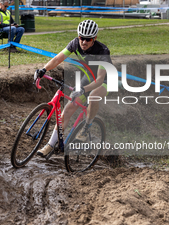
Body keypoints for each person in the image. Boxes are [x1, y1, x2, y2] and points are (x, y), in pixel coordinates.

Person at [34, 19, 113, 157]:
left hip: (105, 80)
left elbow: (100, 79)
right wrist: (44, 69)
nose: (84, 42)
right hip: (88, 76)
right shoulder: (75, 43)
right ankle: (50, 145)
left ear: (94, 38)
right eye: (81, 38)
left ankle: (87, 127)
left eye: (88, 39)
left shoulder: (102, 51)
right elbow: (58, 59)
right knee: (68, 109)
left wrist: (83, 89)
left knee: (93, 96)